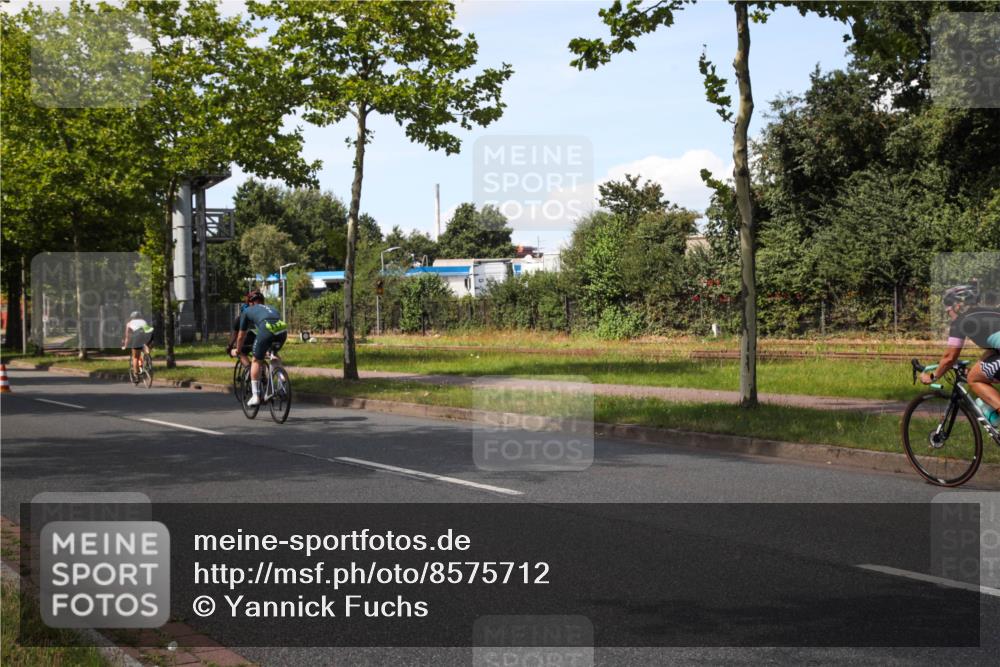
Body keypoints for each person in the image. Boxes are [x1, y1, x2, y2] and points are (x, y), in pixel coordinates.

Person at [921, 284, 1000, 427]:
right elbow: (994, 349)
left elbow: (950, 357)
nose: (948, 313)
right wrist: (975, 366)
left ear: (958, 305)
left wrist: (933, 376)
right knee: (976, 373)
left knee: (974, 379)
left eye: (948, 309)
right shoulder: (991, 313)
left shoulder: (960, 321)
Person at [232, 289, 287, 407]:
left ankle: (256, 396)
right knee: (273, 353)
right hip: (282, 330)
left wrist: (237, 350)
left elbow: (241, 336)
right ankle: (281, 379)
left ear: (250, 303)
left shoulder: (247, 311)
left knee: (256, 360)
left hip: (266, 329)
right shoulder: (272, 308)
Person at [121, 311, 153, 378]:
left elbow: (127, 337)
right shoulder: (143, 321)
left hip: (138, 336)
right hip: (149, 334)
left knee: (135, 357)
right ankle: (147, 358)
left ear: (132, 317)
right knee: (145, 347)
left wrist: (125, 346)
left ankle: (136, 374)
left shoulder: (129, 323)